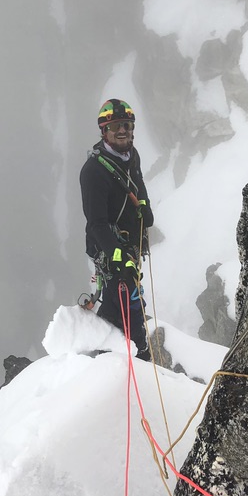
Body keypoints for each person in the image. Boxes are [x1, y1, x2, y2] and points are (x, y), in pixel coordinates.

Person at [80, 98, 154, 359]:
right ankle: (137, 354)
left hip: (127, 245)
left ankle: (102, 352)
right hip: (108, 249)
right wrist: (117, 254)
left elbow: (138, 182)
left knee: (119, 303)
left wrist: (144, 204)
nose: (122, 130)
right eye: (115, 127)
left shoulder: (131, 155)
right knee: (128, 302)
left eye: (126, 125)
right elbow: (96, 222)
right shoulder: (93, 172)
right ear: (104, 131)